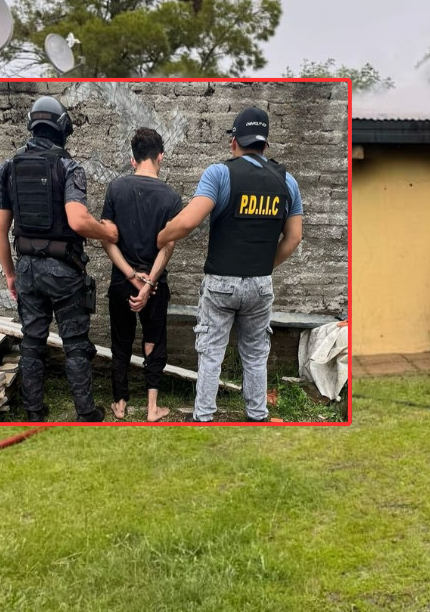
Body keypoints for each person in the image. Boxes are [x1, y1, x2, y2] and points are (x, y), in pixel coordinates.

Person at [157, 106, 303, 423]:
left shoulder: (220, 174)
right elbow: (293, 238)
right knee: (255, 353)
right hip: (260, 283)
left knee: (211, 352)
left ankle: (205, 416)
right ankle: (256, 415)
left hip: (221, 282)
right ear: (265, 144)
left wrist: (161, 236)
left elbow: (187, 222)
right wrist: (264, 265)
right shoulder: (286, 182)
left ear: (234, 141)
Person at [0, 95, 119, 423]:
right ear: (62, 129)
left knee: (32, 341)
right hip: (64, 270)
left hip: (26, 269)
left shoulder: (7, 168)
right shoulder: (68, 167)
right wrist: (106, 231)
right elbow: (77, 221)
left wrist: (10, 274)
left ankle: (34, 411)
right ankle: (86, 411)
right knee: (75, 342)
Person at [100, 128, 182, 423]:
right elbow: (168, 245)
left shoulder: (115, 189)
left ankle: (120, 405)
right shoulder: (172, 197)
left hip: (121, 282)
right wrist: (148, 283)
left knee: (121, 342)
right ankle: (152, 409)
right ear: (160, 157)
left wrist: (131, 275)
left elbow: (107, 239)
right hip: (155, 286)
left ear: (132, 159)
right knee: (154, 340)